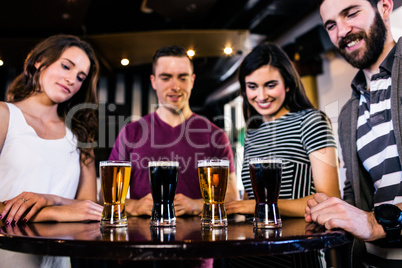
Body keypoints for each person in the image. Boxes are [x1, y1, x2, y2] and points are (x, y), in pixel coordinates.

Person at [224, 43, 340, 267]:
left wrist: (258, 205)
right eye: (252, 86)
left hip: (298, 254)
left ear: (287, 84)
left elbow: (330, 201)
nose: (261, 95)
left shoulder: (311, 121)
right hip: (252, 253)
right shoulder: (251, 134)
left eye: (270, 85)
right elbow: (252, 199)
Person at [305, 0, 402, 266]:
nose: (342, 30)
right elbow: (356, 192)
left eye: (351, 13)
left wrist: (376, 222)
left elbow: (369, 221)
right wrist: (331, 208)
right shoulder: (349, 112)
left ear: (384, 7)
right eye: (331, 25)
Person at [0, 34, 103, 267]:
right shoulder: (5, 116)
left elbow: (87, 209)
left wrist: (51, 199)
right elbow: (73, 210)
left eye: (80, 77)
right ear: (40, 61)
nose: (72, 80)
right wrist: (54, 211)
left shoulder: (80, 135)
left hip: (58, 261)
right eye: (66, 66)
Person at [109, 45, 238, 218]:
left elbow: (232, 195)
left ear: (192, 80)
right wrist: (134, 206)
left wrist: (198, 205)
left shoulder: (215, 135)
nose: (175, 86)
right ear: (154, 81)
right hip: (143, 241)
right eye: (166, 77)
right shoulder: (131, 133)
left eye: (182, 78)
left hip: (198, 241)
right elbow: (107, 195)